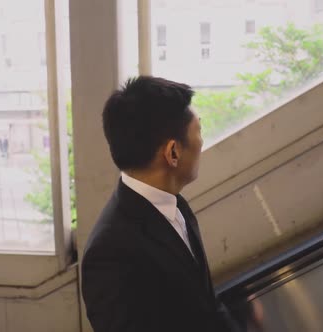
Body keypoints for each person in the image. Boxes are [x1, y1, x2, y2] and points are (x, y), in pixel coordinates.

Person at [81, 76, 240, 332]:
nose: (202, 142)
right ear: (173, 152)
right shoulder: (109, 254)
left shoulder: (176, 205)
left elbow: (206, 306)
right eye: (198, 131)